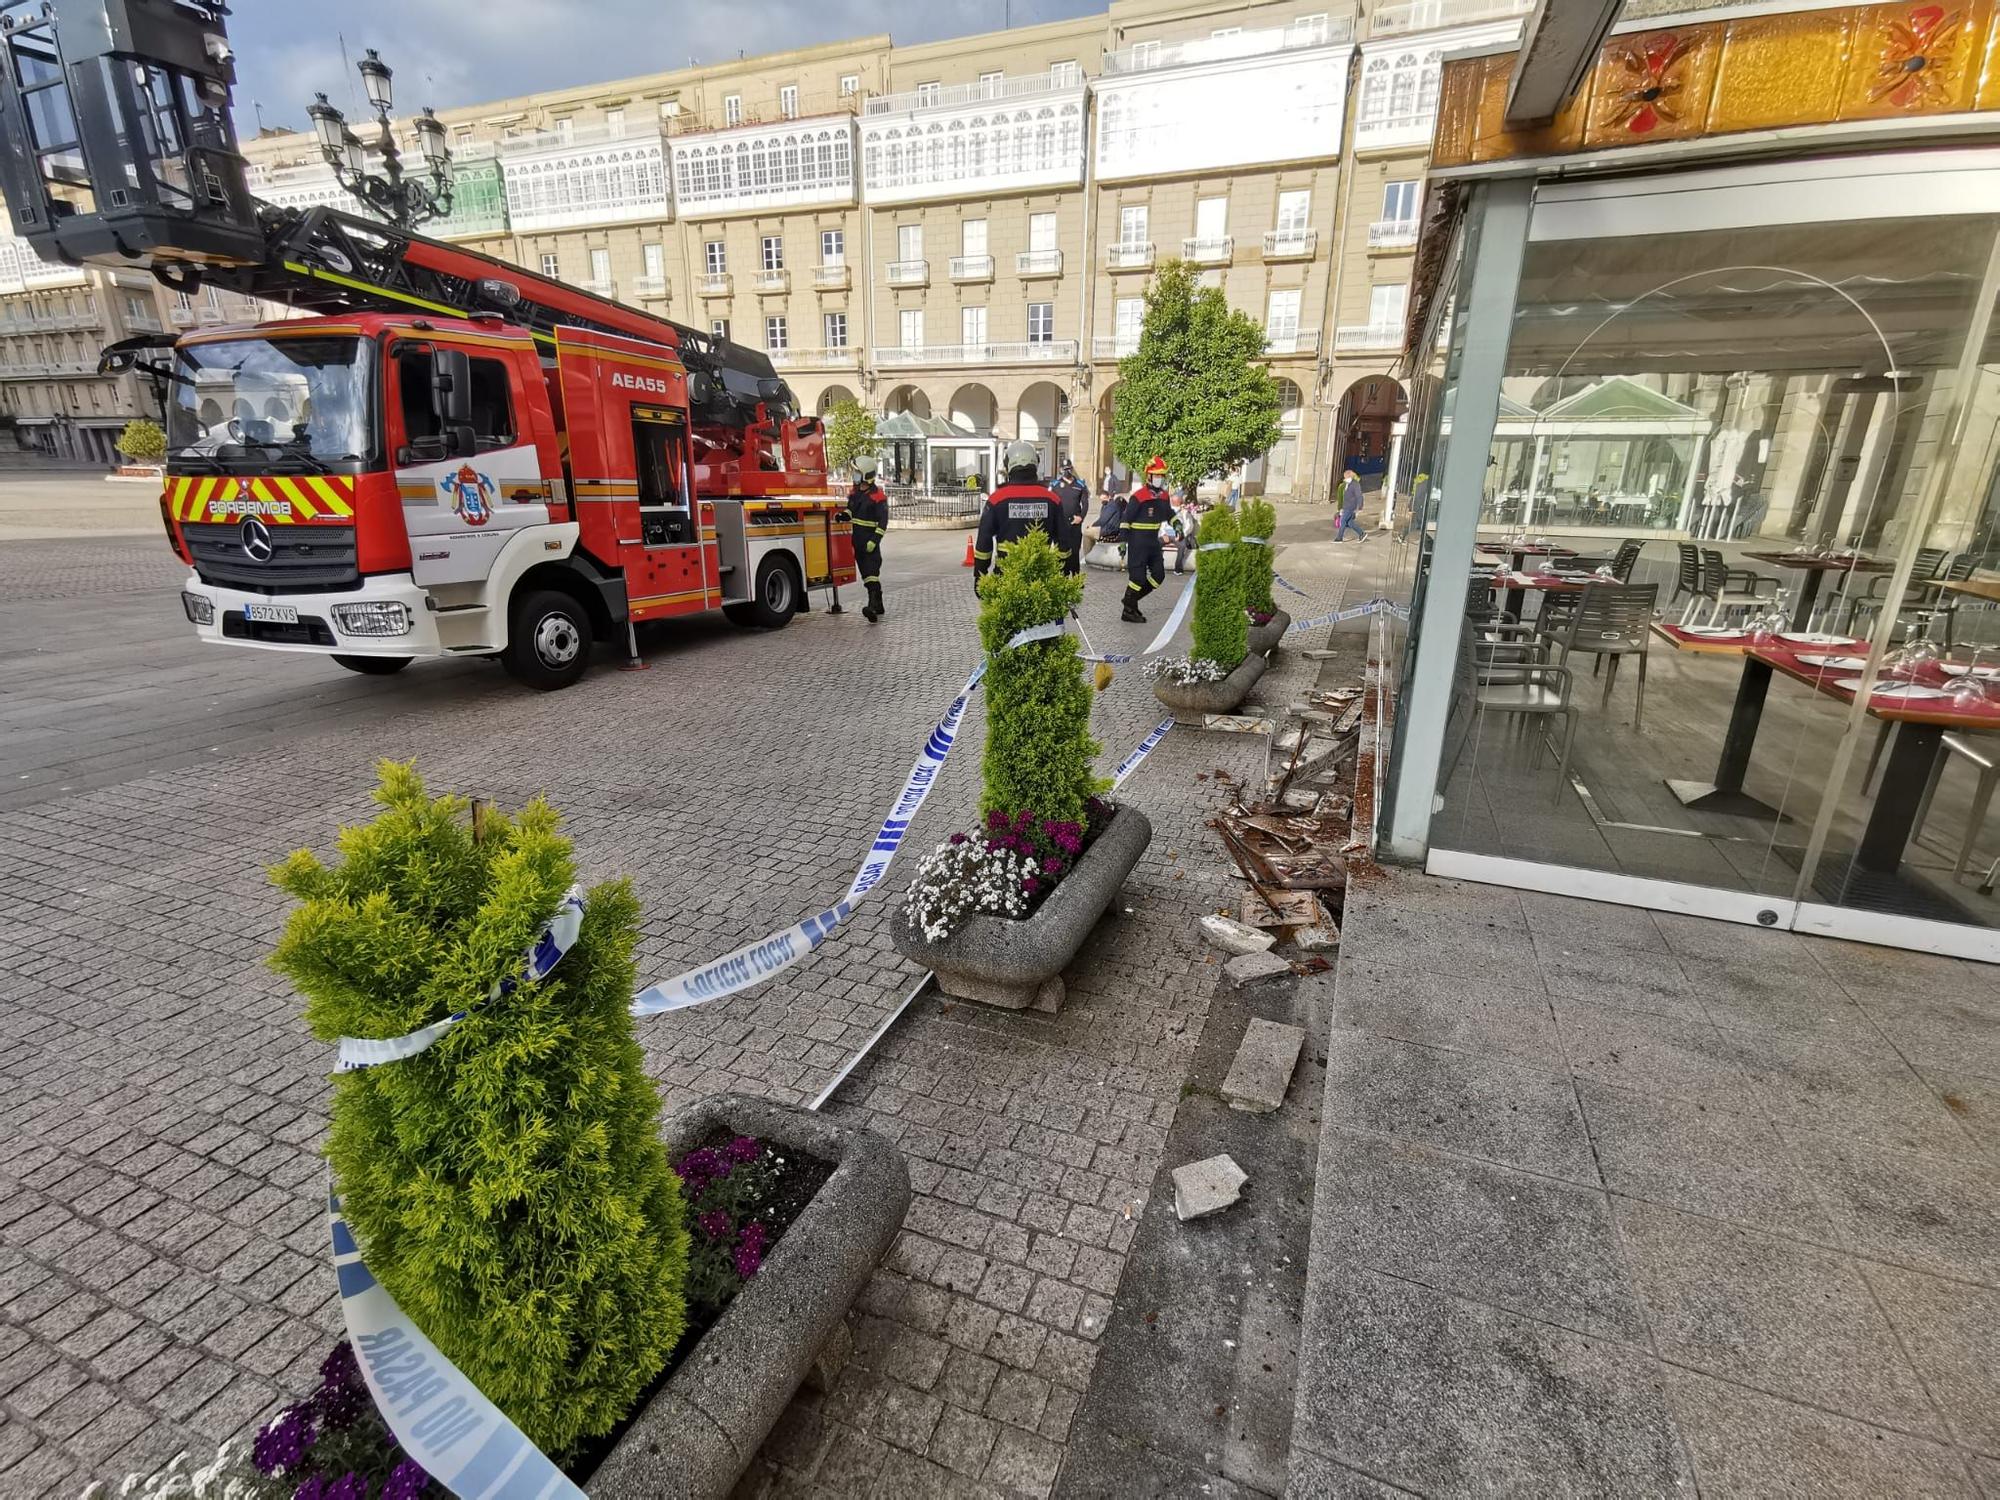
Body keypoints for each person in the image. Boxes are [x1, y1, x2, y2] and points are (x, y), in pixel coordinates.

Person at [973, 439, 1074, 589]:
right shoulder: (1052, 499)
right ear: (1036, 463)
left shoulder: (996, 500)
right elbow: (1063, 543)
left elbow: (984, 543)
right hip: (1042, 581)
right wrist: (1063, 574)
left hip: (1006, 580)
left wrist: (979, 576)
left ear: (1008, 465)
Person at [1122, 456, 1174, 622]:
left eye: (1162, 476)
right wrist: (1123, 542)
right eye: (1156, 475)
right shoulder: (1138, 497)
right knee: (1137, 578)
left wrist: (1178, 525)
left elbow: (1169, 514)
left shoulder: (1164, 497)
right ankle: (1129, 611)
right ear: (1149, 476)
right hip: (1137, 542)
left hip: (1153, 541)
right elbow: (1125, 520)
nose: (1160, 479)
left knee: (1158, 575)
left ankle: (1130, 601)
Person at [847, 455, 890, 622]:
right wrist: (844, 515)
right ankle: (878, 604)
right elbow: (851, 510)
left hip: (870, 542)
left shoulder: (878, 497)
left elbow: (883, 522)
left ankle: (872, 607)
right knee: (866, 575)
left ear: (867, 474)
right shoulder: (855, 493)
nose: (854, 475)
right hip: (857, 541)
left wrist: (874, 541)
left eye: (857, 472)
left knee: (872, 574)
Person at [1050, 456, 1090, 576]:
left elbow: (1085, 503)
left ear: (1072, 469)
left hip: (1074, 523)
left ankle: (1076, 575)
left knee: (1074, 551)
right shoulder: (1055, 485)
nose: (1067, 471)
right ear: (1060, 470)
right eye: (1064, 469)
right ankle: (1063, 575)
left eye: (1069, 468)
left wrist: (1081, 517)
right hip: (1060, 524)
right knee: (1061, 551)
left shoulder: (1080, 485)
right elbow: (1050, 503)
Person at [1336, 468, 1366, 542]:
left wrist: (1360, 507)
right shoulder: (1347, 484)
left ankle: (1339, 538)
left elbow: (1359, 496)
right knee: (1350, 523)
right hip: (1346, 506)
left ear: (1349, 477)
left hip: (1350, 507)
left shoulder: (1355, 484)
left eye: (1345, 477)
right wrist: (1341, 508)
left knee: (1342, 521)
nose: (1344, 478)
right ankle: (1362, 534)